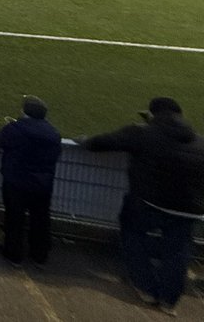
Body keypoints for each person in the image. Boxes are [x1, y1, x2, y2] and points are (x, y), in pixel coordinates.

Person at [81, 98, 204, 314]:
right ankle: (168, 301)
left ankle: (145, 286)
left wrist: (84, 141)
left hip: (148, 202)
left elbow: (102, 143)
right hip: (187, 209)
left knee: (132, 234)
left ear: (153, 114)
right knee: (178, 251)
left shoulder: (142, 133)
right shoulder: (199, 142)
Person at [0, 96, 61, 267]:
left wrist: (11, 125)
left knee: (14, 218)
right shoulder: (53, 133)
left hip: (17, 181)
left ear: (25, 112)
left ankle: (13, 254)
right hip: (43, 183)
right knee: (41, 218)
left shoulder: (17, 128)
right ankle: (40, 255)